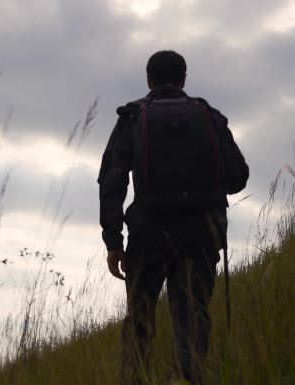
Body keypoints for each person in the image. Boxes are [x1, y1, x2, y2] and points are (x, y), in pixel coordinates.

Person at [98, 50, 248, 385]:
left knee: (140, 318)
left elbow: (112, 181)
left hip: (147, 230)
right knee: (192, 316)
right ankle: (186, 379)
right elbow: (238, 177)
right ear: (184, 79)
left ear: (149, 80)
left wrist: (113, 241)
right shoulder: (210, 117)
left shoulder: (133, 117)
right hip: (201, 232)